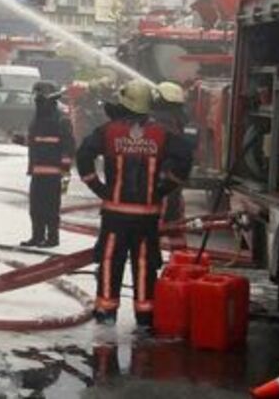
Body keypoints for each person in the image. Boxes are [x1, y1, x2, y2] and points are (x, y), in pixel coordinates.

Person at [76, 80, 193, 327]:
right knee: (144, 264)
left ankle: (107, 312)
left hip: (114, 216)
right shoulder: (161, 133)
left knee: (110, 261)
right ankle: (144, 314)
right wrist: (164, 188)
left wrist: (98, 187)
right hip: (147, 217)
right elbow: (184, 156)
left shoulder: (109, 131)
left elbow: (84, 153)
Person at [20, 81, 75, 248]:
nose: (37, 100)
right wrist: (19, 140)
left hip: (53, 174)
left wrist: (64, 170)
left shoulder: (61, 119)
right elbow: (35, 142)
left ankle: (52, 238)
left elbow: (69, 146)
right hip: (38, 172)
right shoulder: (37, 120)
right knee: (36, 208)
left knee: (50, 208)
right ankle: (37, 236)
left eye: (39, 96)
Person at [151, 82, 191, 241]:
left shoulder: (155, 120)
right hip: (174, 174)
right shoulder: (181, 118)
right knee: (174, 214)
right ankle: (178, 252)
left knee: (159, 214)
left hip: (161, 172)